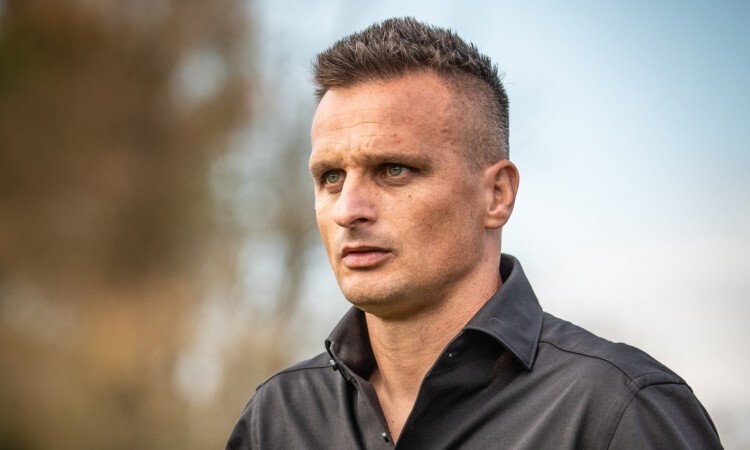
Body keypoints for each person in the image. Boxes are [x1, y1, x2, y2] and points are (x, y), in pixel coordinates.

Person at [227, 17, 722, 449]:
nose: (348, 210)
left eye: (394, 170)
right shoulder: (280, 416)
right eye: (331, 177)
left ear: (497, 195)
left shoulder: (617, 409)